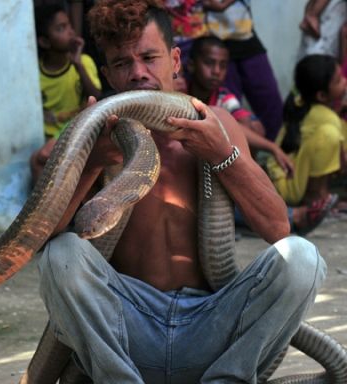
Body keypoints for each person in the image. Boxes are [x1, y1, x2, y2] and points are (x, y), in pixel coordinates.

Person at [38, 1, 326, 382]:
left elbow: (277, 228)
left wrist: (224, 156)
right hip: (128, 330)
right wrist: (94, 161)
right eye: (123, 64)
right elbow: (44, 238)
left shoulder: (215, 123)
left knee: (302, 259)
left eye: (149, 57)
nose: (139, 73)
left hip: (210, 323)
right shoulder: (93, 131)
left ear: (175, 60)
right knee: (60, 254)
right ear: (107, 73)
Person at [185, 36, 332, 235]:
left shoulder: (222, 96)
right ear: (191, 65)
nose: (216, 71)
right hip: (188, 175)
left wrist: (262, 146)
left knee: (252, 126)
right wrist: (270, 147)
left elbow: (238, 124)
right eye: (209, 63)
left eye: (222, 65)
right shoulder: (180, 92)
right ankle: (291, 217)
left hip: (213, 173)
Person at [265, 54, 345, 224]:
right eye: (339, 81)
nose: (345, 81)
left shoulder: (303, 103)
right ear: (322, 96)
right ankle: (316, 198)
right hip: (288, 188)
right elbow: (342, 163)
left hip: (280, 182)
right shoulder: (327, 118)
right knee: (329, 135)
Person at [30, 4, 102, 183]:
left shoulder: (84, 62)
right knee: (40, 159)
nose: (70, 32)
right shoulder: (34, 74)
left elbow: (97, 97)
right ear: (45, 42)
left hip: (77, 132)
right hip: (49, 139)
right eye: (61, 28)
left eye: (69, 25)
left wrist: (78, 65)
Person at [203, 0, 284, 141]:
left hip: (243, 31)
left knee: (271, 103)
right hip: (208, 35)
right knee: (228, 112)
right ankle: (239, 155)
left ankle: (271, 153)